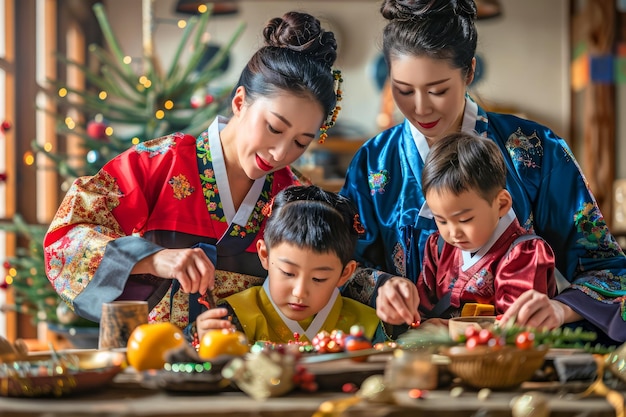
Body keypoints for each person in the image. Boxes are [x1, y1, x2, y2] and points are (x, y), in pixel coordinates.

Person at [340, 0, 626, 344]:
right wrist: (381, 288)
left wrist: (559, 310)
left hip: (513, 356)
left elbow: (608, 269)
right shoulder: (374, 163)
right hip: (407, 358)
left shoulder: (535, 150)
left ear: (470, 72)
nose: (420, 107)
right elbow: (339, 266)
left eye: (438, 90)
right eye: (403, 90)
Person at [43, 11, 342, 339]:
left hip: (253, 370)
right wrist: (154, 258)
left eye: (301, 142)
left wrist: (382, 287)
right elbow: (66, 240)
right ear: (240, 102)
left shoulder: (295, 193)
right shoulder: (159, 162)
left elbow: (337, 268)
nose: (280, 154)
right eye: (273, 128)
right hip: (153, 362)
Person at [194, 185, 386, 344]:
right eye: (288, 273)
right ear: (264, 255)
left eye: (319, 278)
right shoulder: (233, 315)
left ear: (345, 273)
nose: (300, 292)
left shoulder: (370, 325)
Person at [417, 132, 556, 321]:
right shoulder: (439, 247)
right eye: (441, 220)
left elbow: (516, 325)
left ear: (501, 204)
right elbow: (422, 309)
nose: (453, 232)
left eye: (465, 220)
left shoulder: (524, 254)